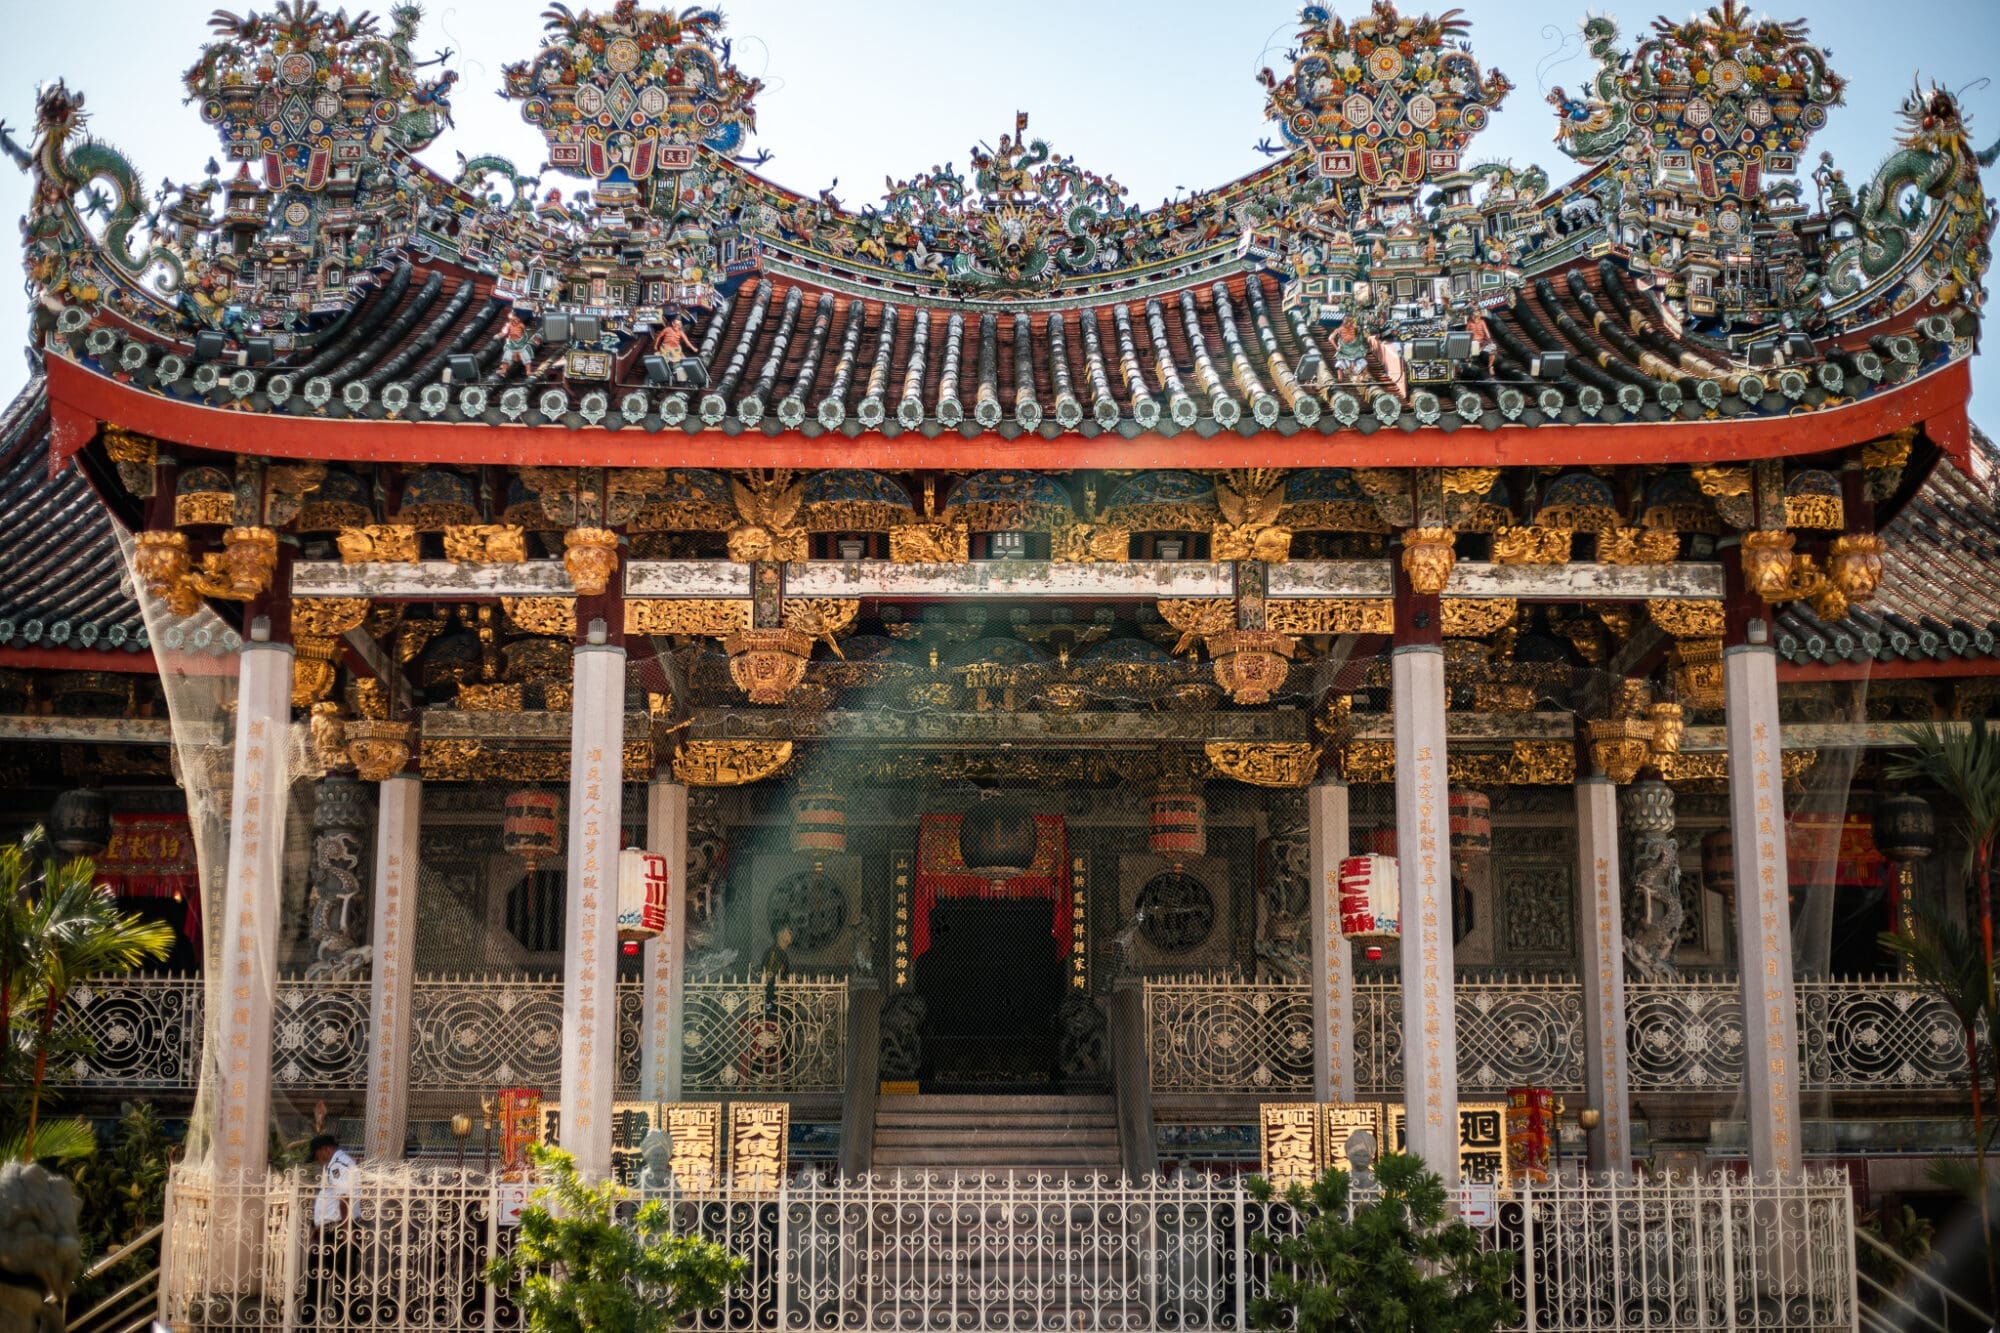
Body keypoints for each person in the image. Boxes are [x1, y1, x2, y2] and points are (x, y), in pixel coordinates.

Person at [308, 1133, 358, 1324]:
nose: (317, 1160)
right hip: (331, 1229)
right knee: (336, 1278)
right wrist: (319, 1226)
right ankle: (341, 1322)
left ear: (326, 1150)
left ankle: (317, 1322)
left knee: (329, 1279)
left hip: (337, 1231)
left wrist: (345, 1228)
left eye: (317, 1155)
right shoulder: (338, 1163)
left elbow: (344, 1197)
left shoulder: (338, 1165)